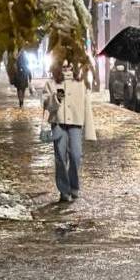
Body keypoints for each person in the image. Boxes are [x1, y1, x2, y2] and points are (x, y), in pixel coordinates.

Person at [43, 58, 97, 203]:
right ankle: (64, 190)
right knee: (60, 157)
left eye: (69, 66)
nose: (66, 69)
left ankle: (74, 186)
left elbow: (87, 107)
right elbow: (46, 105)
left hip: (76, 124)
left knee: (76, 155)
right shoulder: (51, 82)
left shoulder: (80, 83)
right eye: (64, 66)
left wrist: (90, 132)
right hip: (58, 124)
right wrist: (55, 99)